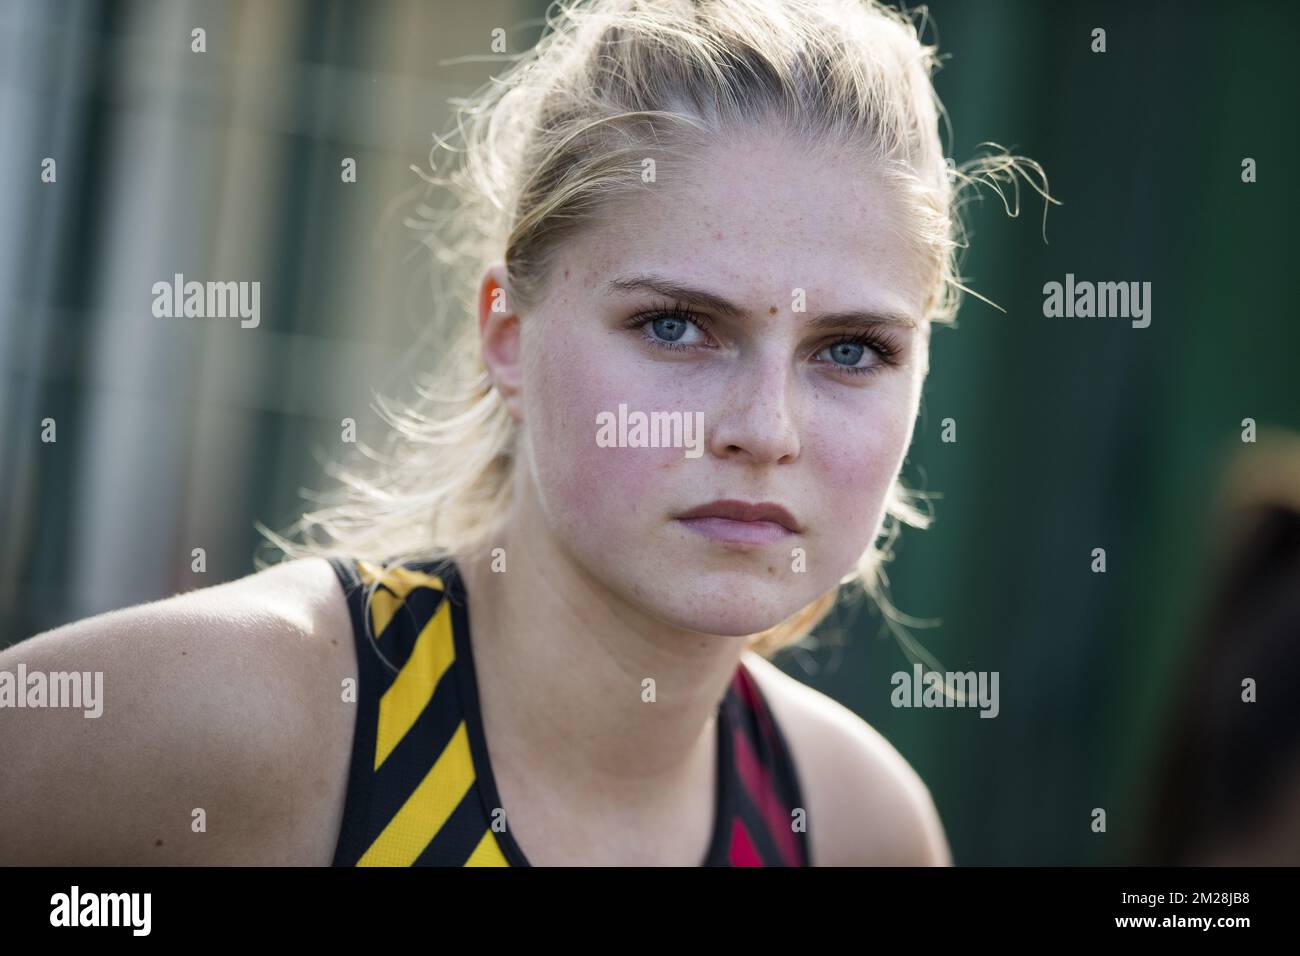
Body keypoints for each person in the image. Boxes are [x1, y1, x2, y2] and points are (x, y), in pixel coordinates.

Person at [0, 0, 1050, 866]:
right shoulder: (245, 715)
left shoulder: (856, 825)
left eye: (852, 349)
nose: (764, 427)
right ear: (507, 332)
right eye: (676, 325)